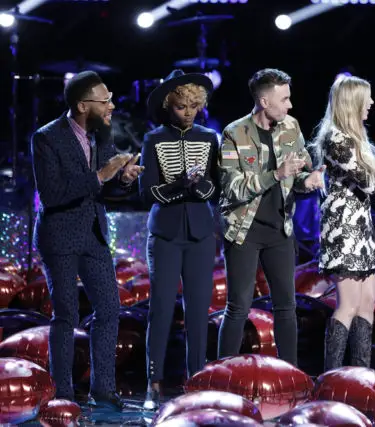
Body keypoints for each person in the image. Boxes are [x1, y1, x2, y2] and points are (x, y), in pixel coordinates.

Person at [31, 71, 143, 409]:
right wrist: (102, 174)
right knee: (66, 314)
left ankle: (102, 389)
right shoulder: (47, 138)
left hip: (94, 235)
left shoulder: (102, 133)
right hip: (60, 236)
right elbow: (52, 195)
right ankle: (62, 392)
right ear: (83, 105)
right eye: (104, 100)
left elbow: (105, 190)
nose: (111, 106)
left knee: (109, 309)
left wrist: (122, 179)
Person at [217, 68, 324, 366]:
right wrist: (276, 174)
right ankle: (223, 372)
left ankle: (290, 372)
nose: (290, 105)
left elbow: (298, 174)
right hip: (244, 230)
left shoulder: (291, 127)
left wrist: (308, 181)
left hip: (280, 229)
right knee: (238, 306)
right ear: (265, 101)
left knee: (286, 306)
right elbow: (232, 188)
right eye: (285, 98)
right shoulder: (234, 133)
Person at [310, 75, 375, 371]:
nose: (372, 103)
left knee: (367, 306)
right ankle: (332, 377)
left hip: (361, 227)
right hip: (343, 229)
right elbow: (369, 182)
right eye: (367, 98)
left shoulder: (357, 139)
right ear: (353, 102)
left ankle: (361, 374)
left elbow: (374, 175)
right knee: (348, 306)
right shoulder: (335, 139)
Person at [139, 69, 219, 411]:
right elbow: (148, 192)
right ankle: (153, 382)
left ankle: (196, 380)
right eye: (182, 106)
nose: (188, 112)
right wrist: (180, 185)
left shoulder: (209, 137)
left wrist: (196, 186)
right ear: (169, 105)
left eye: (193, 106)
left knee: (199, 311)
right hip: (167, 234)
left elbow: (216, 186)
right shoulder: (154, 139)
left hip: (201, 232)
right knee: (161, 310)